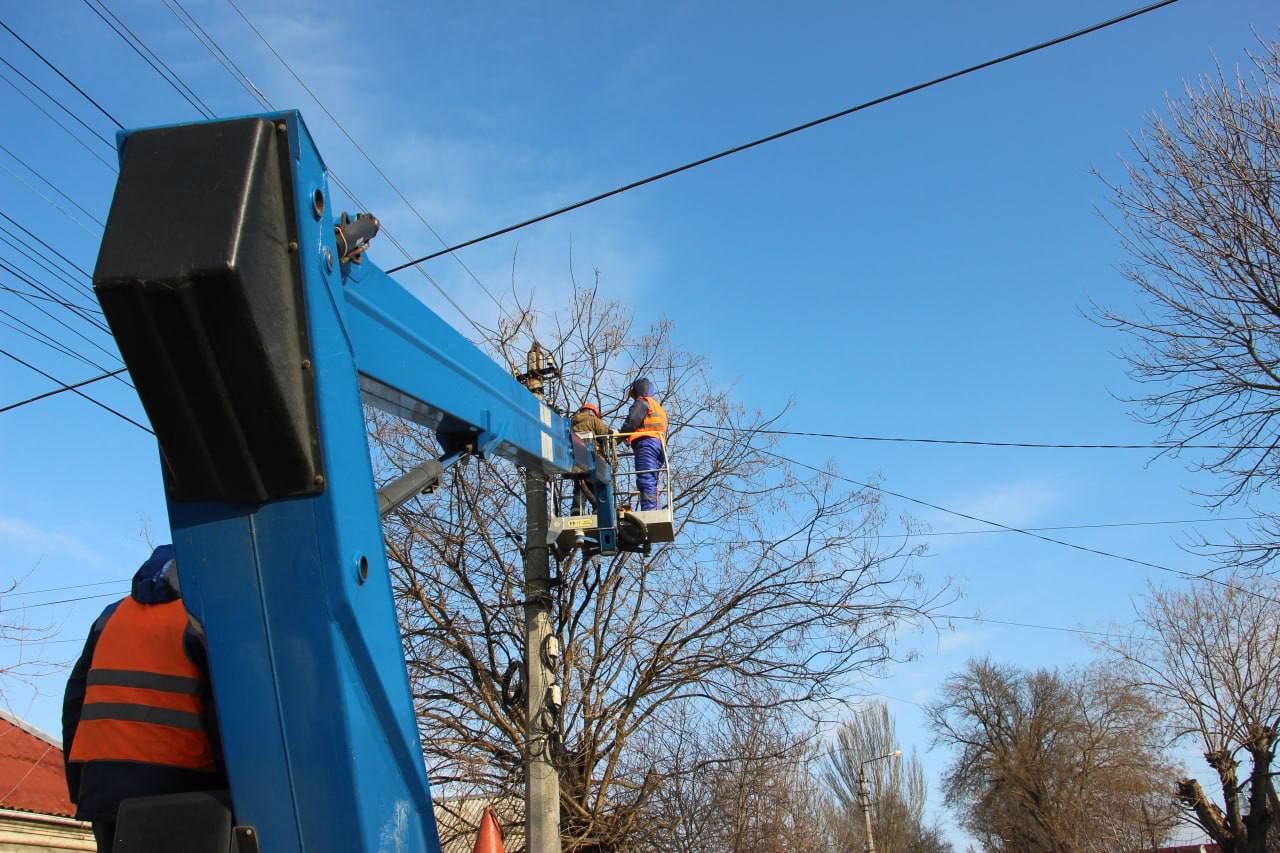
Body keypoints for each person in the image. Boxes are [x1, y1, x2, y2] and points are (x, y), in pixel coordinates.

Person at [62, 545, 226, 852]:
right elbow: (220, 713)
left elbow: (74, 703)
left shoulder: (109, 617)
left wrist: (79, 786)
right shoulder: (200, 618)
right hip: (183, 790)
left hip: (103, 791)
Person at [619, 378, 668, 510]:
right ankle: (654, 508)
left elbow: (632, 422)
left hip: (646, 444)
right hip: (659, 447)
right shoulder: (658, 407)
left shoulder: (643, 402)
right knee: (653, 480)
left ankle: (649, 510)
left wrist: (618, 437)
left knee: (646, 478)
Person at [570, 402, 612, 513]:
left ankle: (576, 508)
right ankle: (598, 509)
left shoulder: (572, 423)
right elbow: (605, 435)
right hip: (594, 456)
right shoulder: (594, 421)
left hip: (577, 457)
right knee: (595, 483)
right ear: (593, 412)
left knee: (580, 484)